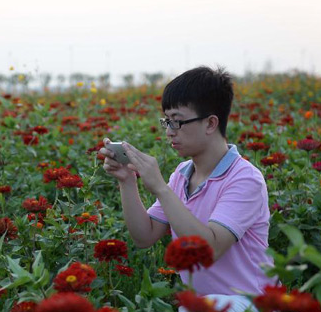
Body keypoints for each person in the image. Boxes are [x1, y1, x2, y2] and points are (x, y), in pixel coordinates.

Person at [100, 66, 275, 312]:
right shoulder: (182, 175)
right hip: (203, 304)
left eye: (178, 122)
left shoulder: (245, 179)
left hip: (249, 303)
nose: (170, 132)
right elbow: (144, 236)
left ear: (211, 123)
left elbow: (209, 250)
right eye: (167, 122)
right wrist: (127, 181)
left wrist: (161, 188)